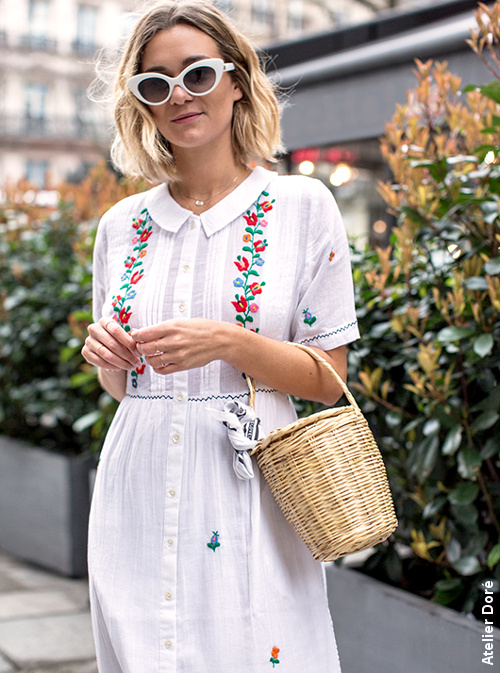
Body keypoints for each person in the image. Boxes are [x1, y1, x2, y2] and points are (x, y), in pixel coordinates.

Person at [82, 1, 360, 671]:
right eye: (155, 84)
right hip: (138, 487)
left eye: (197, 74)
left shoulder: (302, 206)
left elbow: (331, 378)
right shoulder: (120, 227)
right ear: (142, 106)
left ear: (237, 81)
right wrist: (108, 357)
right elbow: (121, 384)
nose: (179, 95)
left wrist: (231, 343)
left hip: (250, 487)